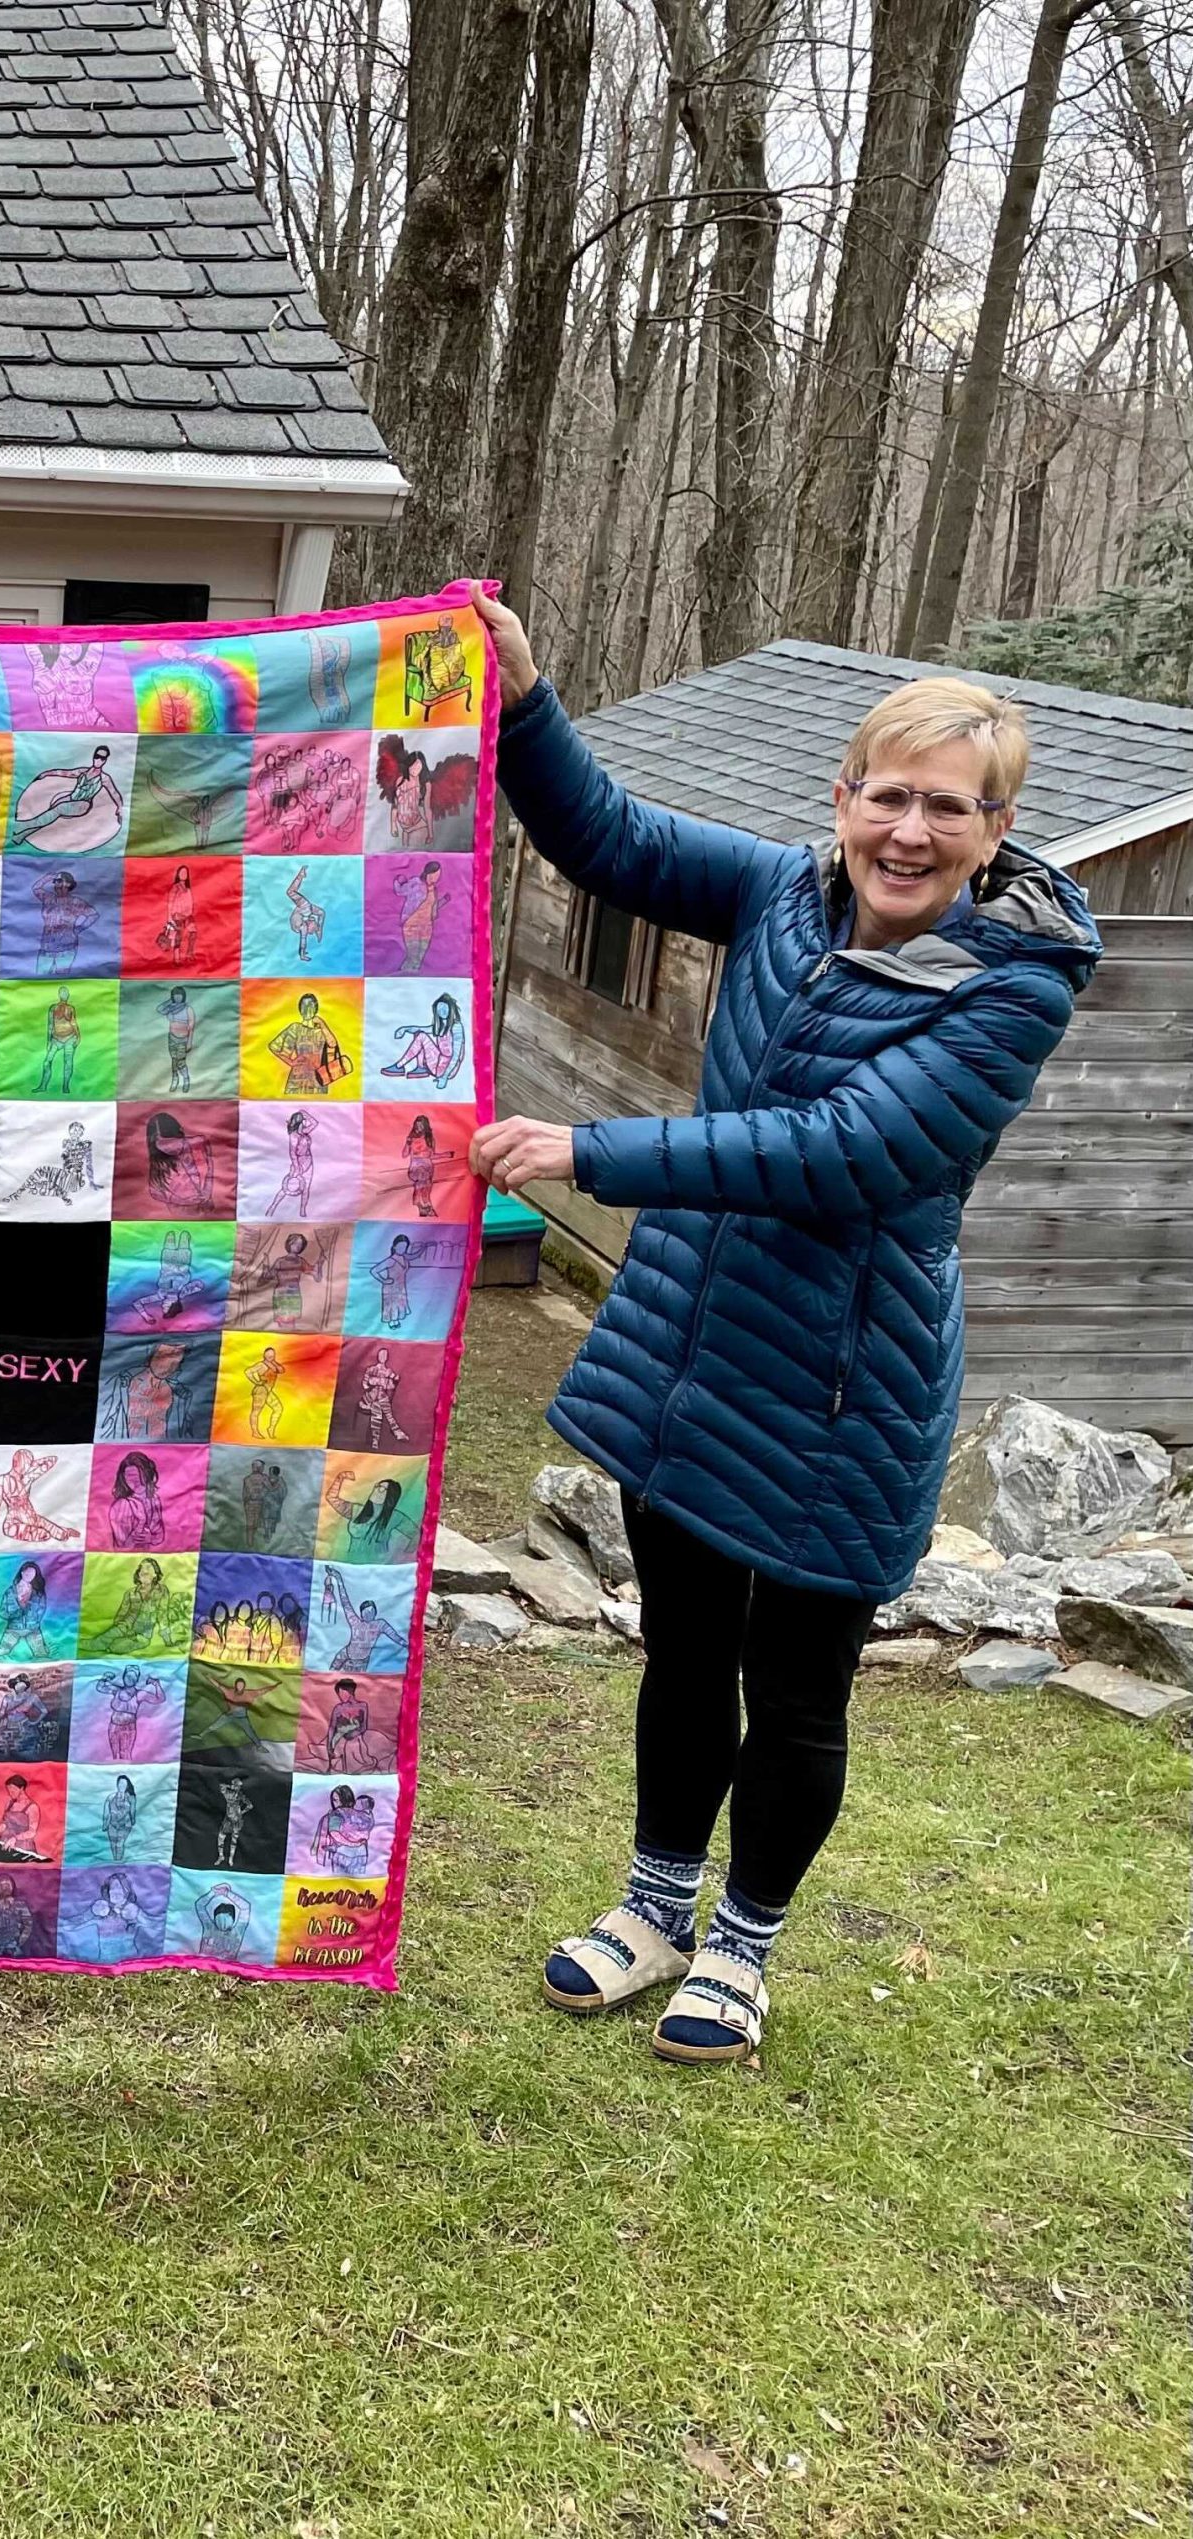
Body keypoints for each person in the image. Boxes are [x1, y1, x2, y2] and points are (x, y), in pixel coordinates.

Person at [471, 591, 1098, 2066]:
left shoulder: (1013, 992)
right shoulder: (782, 893)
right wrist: (522, 700)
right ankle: (650, 1911)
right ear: (843, 798)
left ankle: (742, 1950)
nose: (909, 831)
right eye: (889, 794)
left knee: (796, 1687)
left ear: (993, 831)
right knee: (682, 1658)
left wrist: (591, 1153)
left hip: (840, 1388)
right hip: (689, 1346)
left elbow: (844, 1151)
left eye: (949, 807)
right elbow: (610, 842)